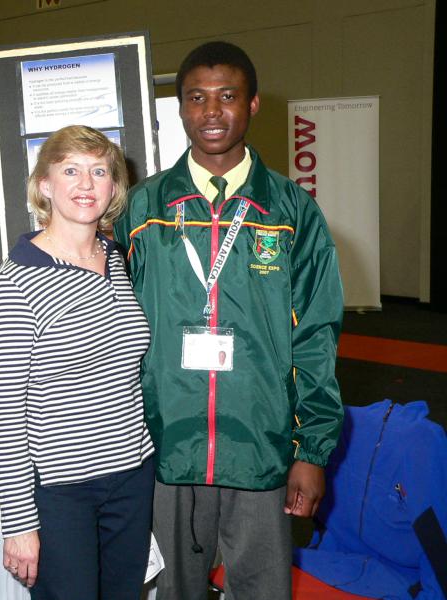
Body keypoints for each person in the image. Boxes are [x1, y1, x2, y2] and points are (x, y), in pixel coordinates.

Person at [113, 42, 344, 599]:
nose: (211, 111)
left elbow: (316, 336)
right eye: (197, 98)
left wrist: (311, 452)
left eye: (227, 96)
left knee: (263, 591)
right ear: (180, 108)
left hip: (260, 445)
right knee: (171, 591)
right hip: (163, 445)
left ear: (253, 103)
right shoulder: (141, 210)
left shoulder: (291, 212)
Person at [0, 125, 155, 600]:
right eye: (71, 170)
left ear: (114, 187)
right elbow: (6, 413)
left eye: (99, 171)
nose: (86, 184)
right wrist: (19, 524)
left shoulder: (116, 258)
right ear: (44, 184)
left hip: (132, 476)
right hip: (61, 491)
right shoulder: (13, 286)